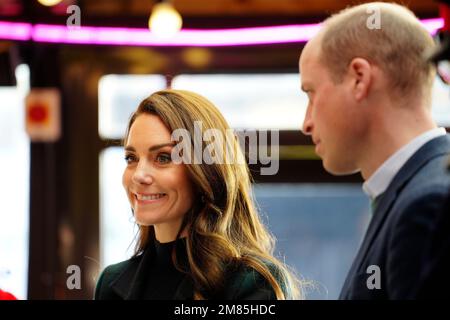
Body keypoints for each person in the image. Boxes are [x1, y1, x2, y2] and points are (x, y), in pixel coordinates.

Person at [299, 2, 450, 299]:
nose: (305, 123)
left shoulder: (427, 205)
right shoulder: (413, 193)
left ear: (359, 78)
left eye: (311, 93)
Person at [94, 89, 301, 300]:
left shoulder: (254, 284)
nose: (138, 175)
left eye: (163, 158)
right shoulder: (110, 283)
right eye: (131, 158)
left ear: (206, 172)